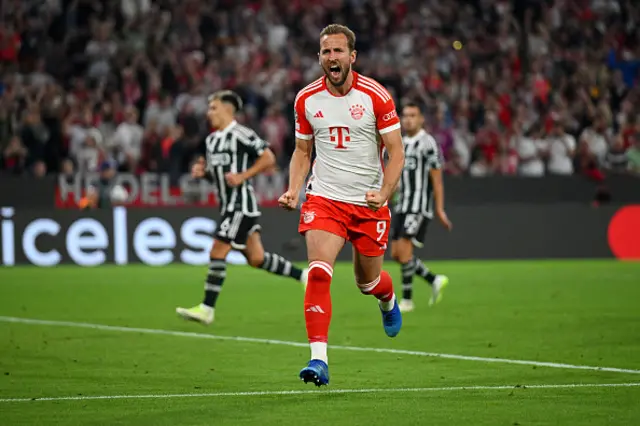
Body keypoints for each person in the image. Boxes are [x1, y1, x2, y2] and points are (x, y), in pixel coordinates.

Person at [278, 24, 405, 387]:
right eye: (325, 52)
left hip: (368, 203)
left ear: (352, 56)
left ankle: (387, 297)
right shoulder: (306, 99)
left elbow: (397, 153)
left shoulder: (376, 96)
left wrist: (383, 192)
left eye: (337, 51)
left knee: (367, 283)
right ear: (319, 57)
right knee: (318, 272)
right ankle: (319, 360)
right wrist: (294, 189)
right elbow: (302, 152)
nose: (331, 58)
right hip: (325, 199)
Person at [177, 90, 308, 325]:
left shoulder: (241, 134)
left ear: (228, 109)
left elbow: (268, 158)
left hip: (241, 205)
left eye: (214, 108)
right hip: (227, 205)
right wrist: (204, 173)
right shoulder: (211, 140)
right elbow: (220, 176)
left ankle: (207, 309)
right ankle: (303, 276)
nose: (209, 113)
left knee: (218, 250)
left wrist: (244, 175)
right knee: (256, 258)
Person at [390, 103, 452, 313]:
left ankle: (407, 300)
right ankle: (434, 279)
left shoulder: (428, 143)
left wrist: (440, 209)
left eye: (412, 115)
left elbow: (437, 180)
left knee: (406, 251)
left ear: (421, 119)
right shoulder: (399, 142)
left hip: (418, 206)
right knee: (397, 254)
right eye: (405, 115)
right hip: (401, 204)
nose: (407, 120)